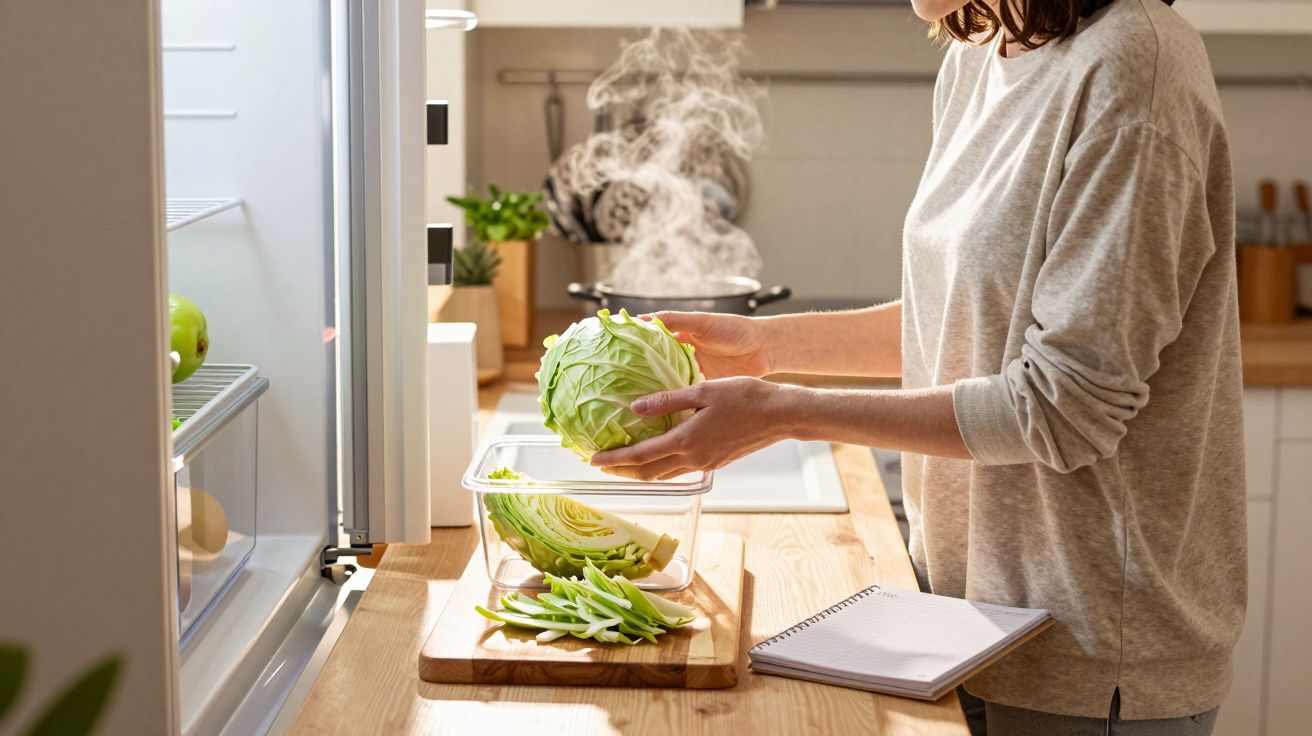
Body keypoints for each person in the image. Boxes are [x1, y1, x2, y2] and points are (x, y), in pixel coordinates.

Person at [590, 1, 1244, 734]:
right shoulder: (979, 51)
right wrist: (770, 347)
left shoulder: (1135, 68)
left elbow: (1065, 406)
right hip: (961, 618)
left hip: (1091, 652)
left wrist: (787, 411)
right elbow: (965, 319)